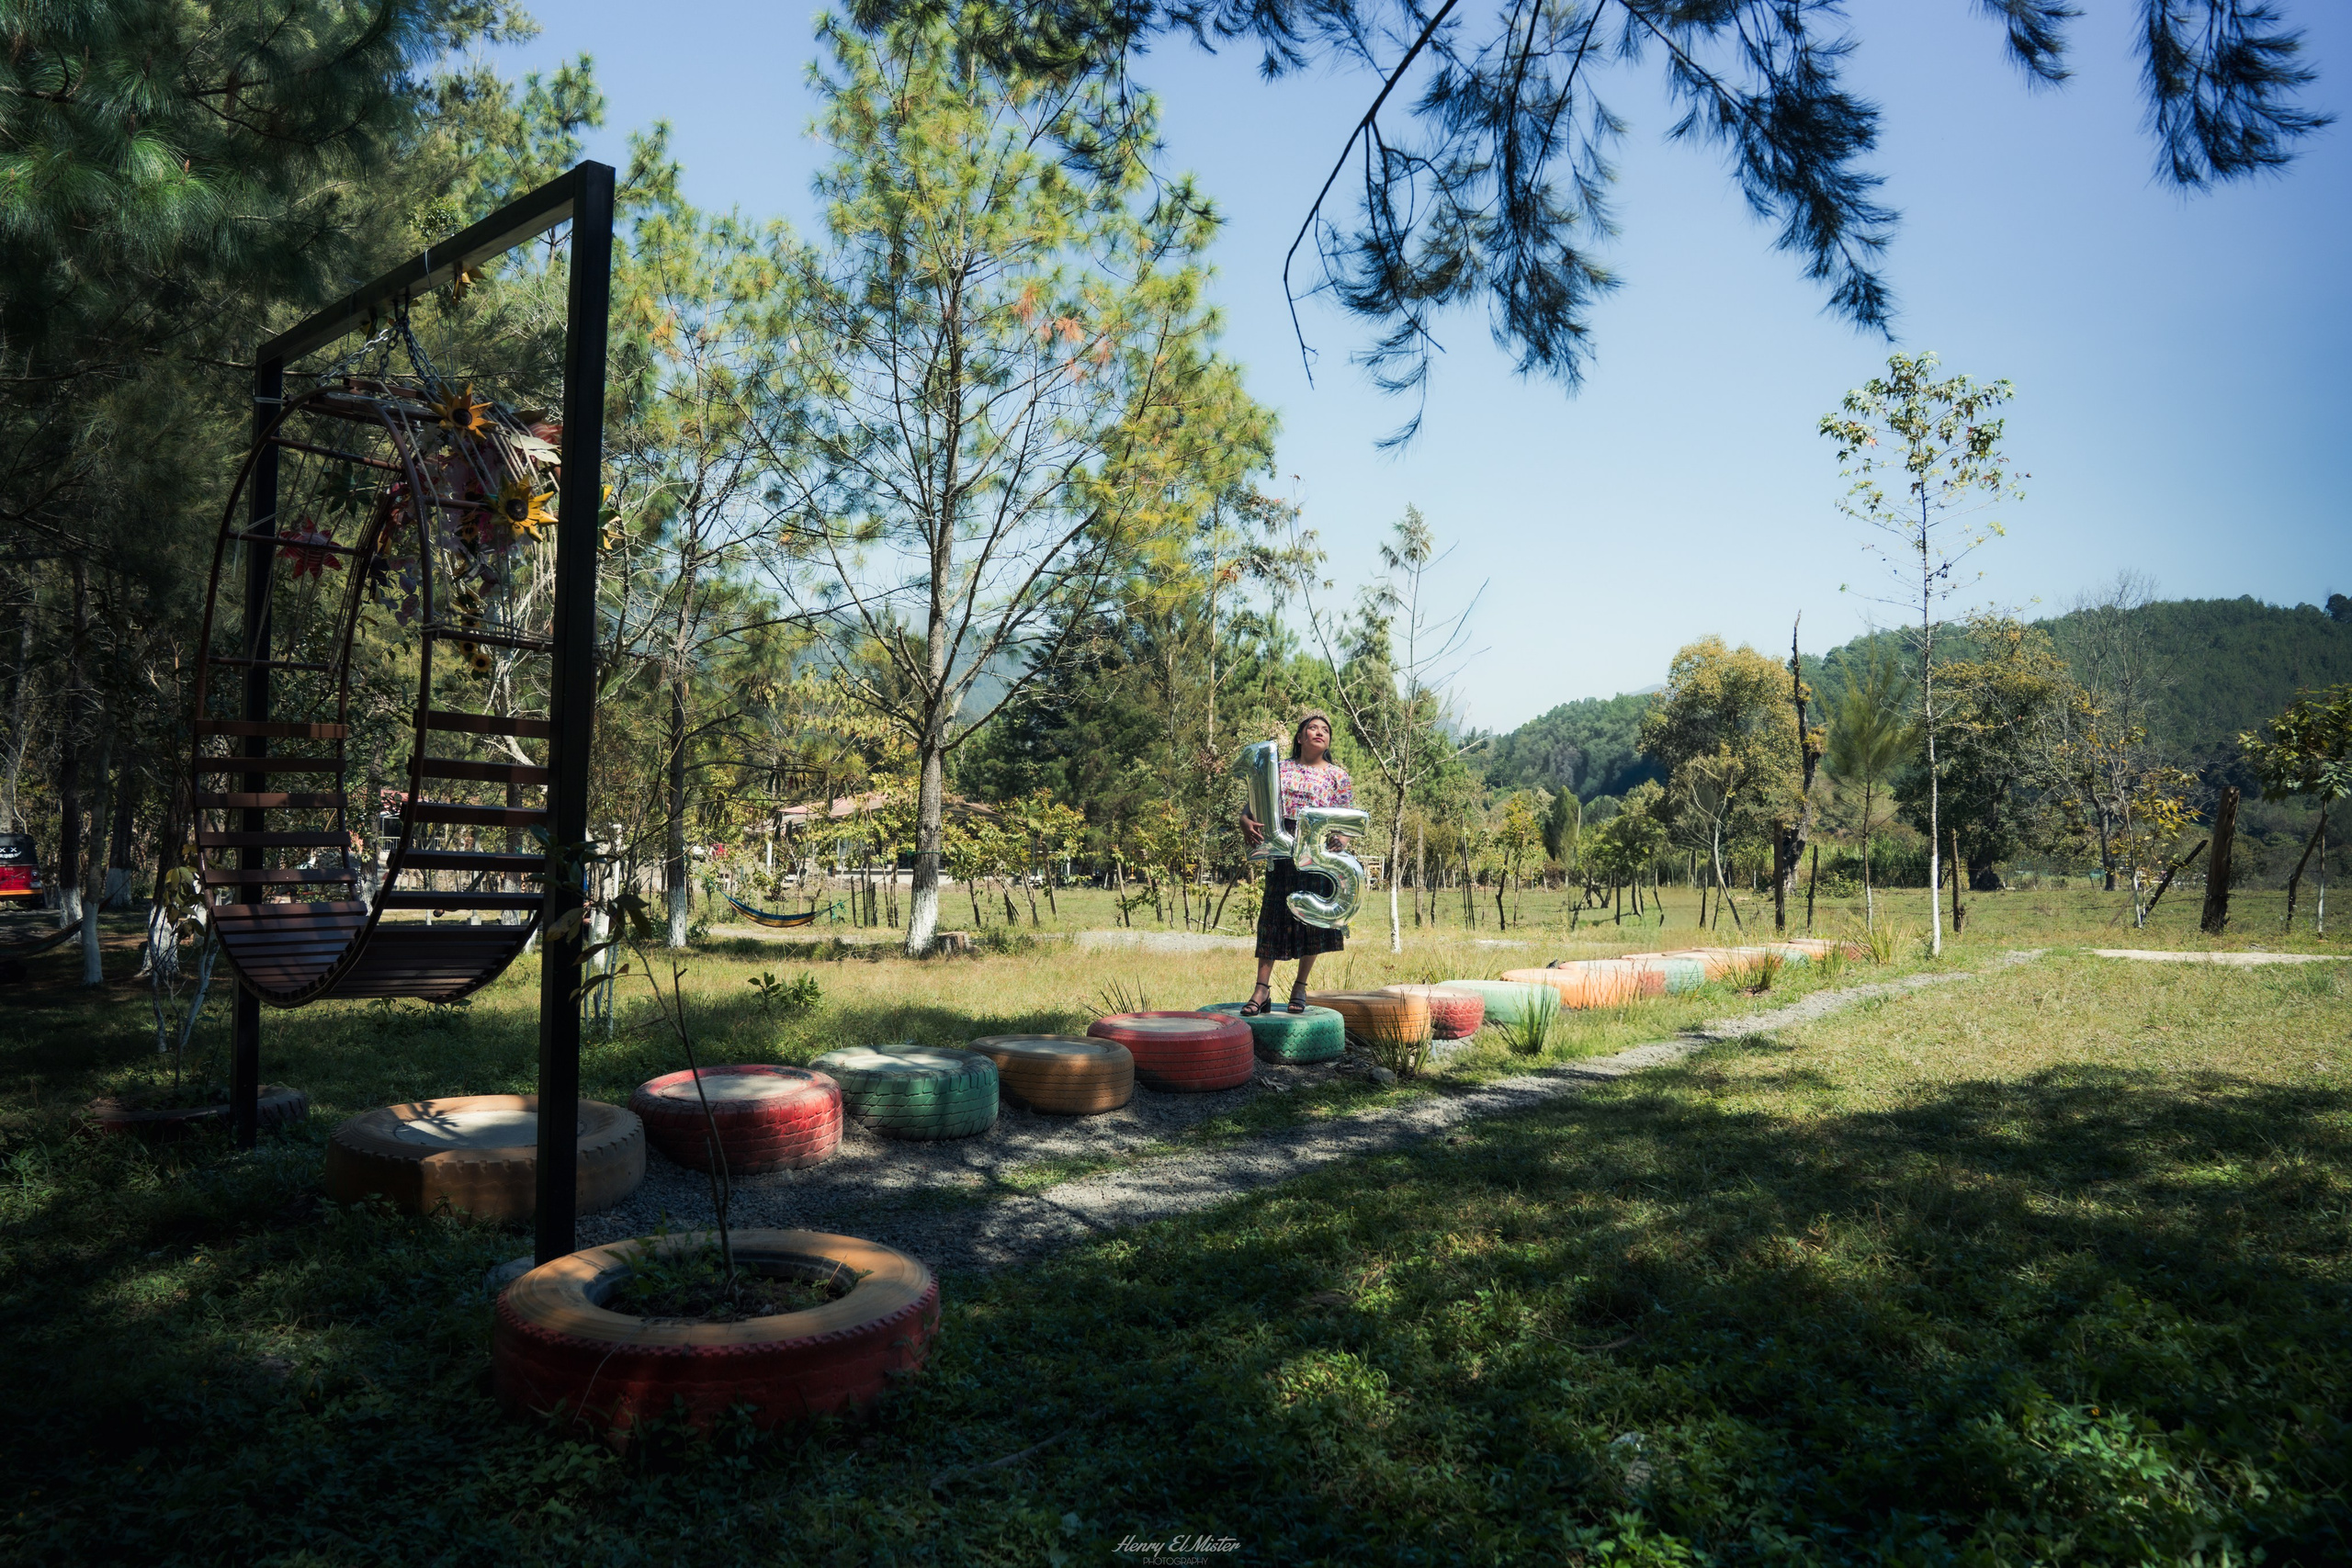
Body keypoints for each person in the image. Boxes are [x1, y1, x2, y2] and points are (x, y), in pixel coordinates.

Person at [1239, 711, 1353, 1015]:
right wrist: (1244, 821)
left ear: (1329, 740)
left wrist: (1340, 841)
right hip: (1281, 844)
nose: (1319, 732)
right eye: (1312, 728)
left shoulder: (1337, 776)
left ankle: (1300, 987)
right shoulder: (1280, 769)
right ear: (1300, 737)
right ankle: (1261, 989)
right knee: (1273, 914)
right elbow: (1251, 805)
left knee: (1311, 918)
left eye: (1325, 730)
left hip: (1317, 849)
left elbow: (1346, 820)